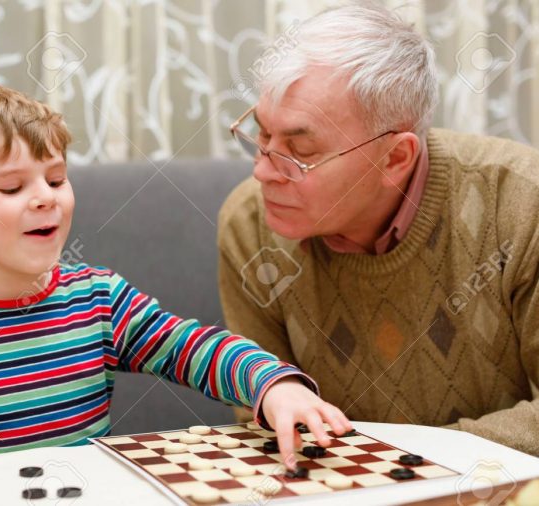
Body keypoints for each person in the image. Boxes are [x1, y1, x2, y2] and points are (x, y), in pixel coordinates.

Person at [0, 81, 352, 472]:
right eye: (13, 188)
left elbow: (188, 346)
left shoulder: (99, 298)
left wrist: (272, 384)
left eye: (57, 177)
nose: (46, 196)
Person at [218, 2, 539, 455]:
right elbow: (267, 417)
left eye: (299, 149)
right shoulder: (249, 225)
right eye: (261, 134)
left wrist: (407, 465)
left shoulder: (523, 203)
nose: (264, 172)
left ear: (395, 158)